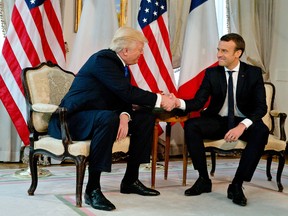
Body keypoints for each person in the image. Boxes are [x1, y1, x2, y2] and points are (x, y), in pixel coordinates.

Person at [48, 26, 175, 211]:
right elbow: (127, 92)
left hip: (96, 116)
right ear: (125, 50)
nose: (141, 54)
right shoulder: (103, 60)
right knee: (107, 118)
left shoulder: (120, 66)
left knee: (145, 117)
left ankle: (131, 180)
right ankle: (92, 190)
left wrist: (124, 116)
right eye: (140, 50)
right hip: (70, 120)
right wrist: (160, 99)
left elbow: (122, 96)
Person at [173, 33, 269, 206]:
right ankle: (203, 179)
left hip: (243, 121)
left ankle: (237, 185)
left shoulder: (253, 73)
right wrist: (177, 102)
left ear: (238, 53)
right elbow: (198, 102)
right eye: (218, 50)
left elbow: (261, 107)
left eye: (224, 51)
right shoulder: (212, 73)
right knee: (191, 125)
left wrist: (242, 125)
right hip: (218, 120)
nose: (218, 54)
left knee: (261, 131)